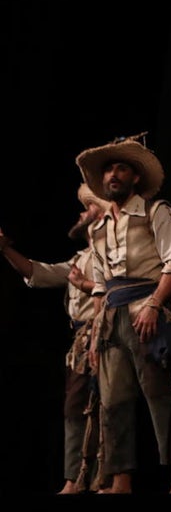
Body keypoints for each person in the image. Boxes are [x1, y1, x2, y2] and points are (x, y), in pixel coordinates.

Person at [75, 135, 171, 494]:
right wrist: (95, 337)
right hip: (112, 317)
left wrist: (155, 305)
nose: (113, 174)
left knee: (162, 396)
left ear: (135, 177)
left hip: (148, 309)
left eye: (121, 168)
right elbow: (100, 286)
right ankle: (120, 479)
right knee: (112, 400)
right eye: (109, 169)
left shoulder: (155, 211)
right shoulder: (98, 228)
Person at [0, 183, 107, 493]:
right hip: (82, 340)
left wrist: (86, 285)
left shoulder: (112, 254)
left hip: (105, 334)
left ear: (100, 216)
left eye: (88, 208)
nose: (81, 212)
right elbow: (40, 273)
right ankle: (76, 477)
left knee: (106, 408)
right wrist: (6, 249)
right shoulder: (82, 257)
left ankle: (101, 478)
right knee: (76, 408)